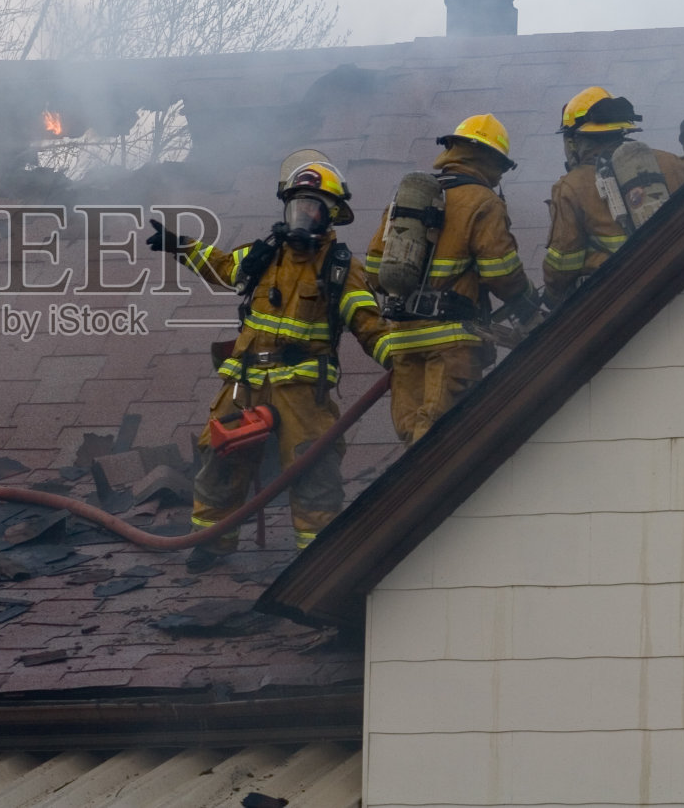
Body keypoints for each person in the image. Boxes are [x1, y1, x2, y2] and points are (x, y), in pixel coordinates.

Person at [149, 159, 391, 571]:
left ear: (330, 214)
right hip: (244, 382)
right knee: (218, 456)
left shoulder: (341, 268)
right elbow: (225, 268)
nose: (303, 215)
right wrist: (183, 246)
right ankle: (213, 542)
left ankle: (316, 556)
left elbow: (368, 325)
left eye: (313, 207)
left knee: (313, 467)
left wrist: (400, 359)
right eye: (296, 206)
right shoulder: (266, 255)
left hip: (301, 392)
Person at [364, 114, 539, 444]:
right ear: (491, 160)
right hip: (452, 341)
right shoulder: (482, 201)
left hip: (403, 337)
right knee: (442, 441)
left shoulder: (406, 201)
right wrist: (529, 304)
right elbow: (501, 273)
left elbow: (374, 271)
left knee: (413, 434)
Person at [544, 88, 684, 299]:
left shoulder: (571, 187)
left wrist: (553, 300)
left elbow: (562, 265)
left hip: (612, 301)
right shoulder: (667, 163)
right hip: (677, 284)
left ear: (573, 141)